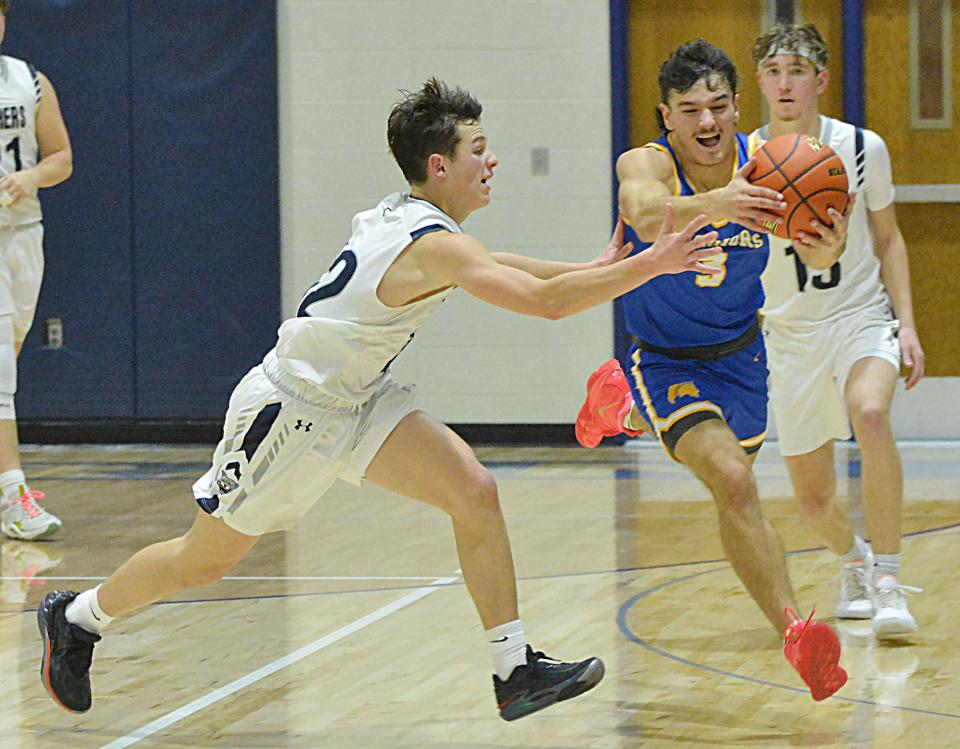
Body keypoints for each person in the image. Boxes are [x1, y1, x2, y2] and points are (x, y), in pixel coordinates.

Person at [37, 78, 722, 719]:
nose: (493, 161)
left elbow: (500, 265)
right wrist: (650, 264)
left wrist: (596, 269)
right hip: (290, 412)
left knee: (474, 490)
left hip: (357, 399)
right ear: (440, 164)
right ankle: (78, 617)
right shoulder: (430, 241)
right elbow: (540, 304)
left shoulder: (417, 219)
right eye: (479, 151)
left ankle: (514, 671)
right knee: (203, 559)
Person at [574, 39, 852, 700]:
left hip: (742, 359)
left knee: (736, 477)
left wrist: (827, 243)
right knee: (732, 480)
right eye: (689, 109)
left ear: (736, 109)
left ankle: (620, 408)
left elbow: (814, 258)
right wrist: (716, 205)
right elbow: (643, 209)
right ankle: (797, 631)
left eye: (719, 106)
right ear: (666, 116)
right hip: (665, 353)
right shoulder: (648, 162)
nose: (706, 122)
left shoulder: (774, 166)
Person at [751, 23, 923, 638]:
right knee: (813, 503)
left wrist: (905, 324)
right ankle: (855, 559)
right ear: (761, 83)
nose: (784, 82)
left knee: (870, 412)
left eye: (796, 69)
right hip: (789, 334)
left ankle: (890, 581)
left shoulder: (860, 148)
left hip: (859, 316)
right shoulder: (745, 159)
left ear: (820, 80)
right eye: (772, 71)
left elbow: (888, 238)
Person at [0, 0, 72, 541]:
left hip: (24, 236)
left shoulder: (30, 81)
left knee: (11, 352)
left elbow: (62, 157)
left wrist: (31, 179)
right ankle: (13, 493)